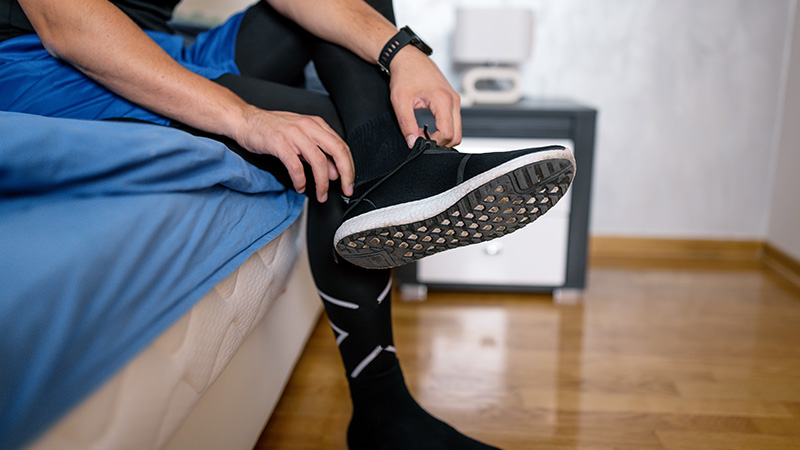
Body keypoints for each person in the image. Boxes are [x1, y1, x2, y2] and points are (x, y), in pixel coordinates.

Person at [2, 0, 574, 448]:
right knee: (326, 131)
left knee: (354, 20)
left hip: (170, 46)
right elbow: (65, 22)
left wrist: (404, 52)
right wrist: (246, 119)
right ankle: (383, 411)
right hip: (49, 66)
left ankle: (392, 173)